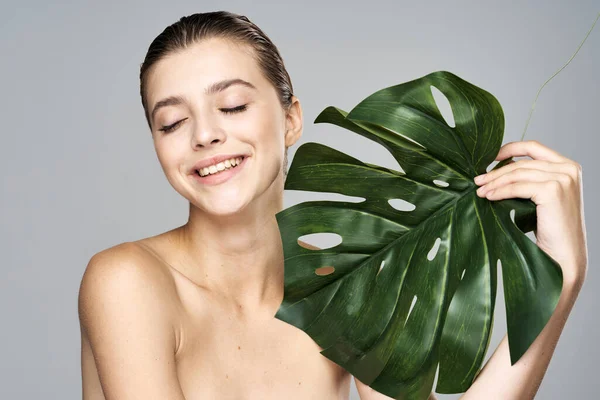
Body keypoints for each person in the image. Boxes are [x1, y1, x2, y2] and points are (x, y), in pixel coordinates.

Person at [77, 11, 588, 400]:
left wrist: (563, 277)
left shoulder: (340, 289)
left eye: (232, 106)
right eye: (171, 122)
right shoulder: (126, 280)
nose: (205, 134)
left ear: (291, 120)